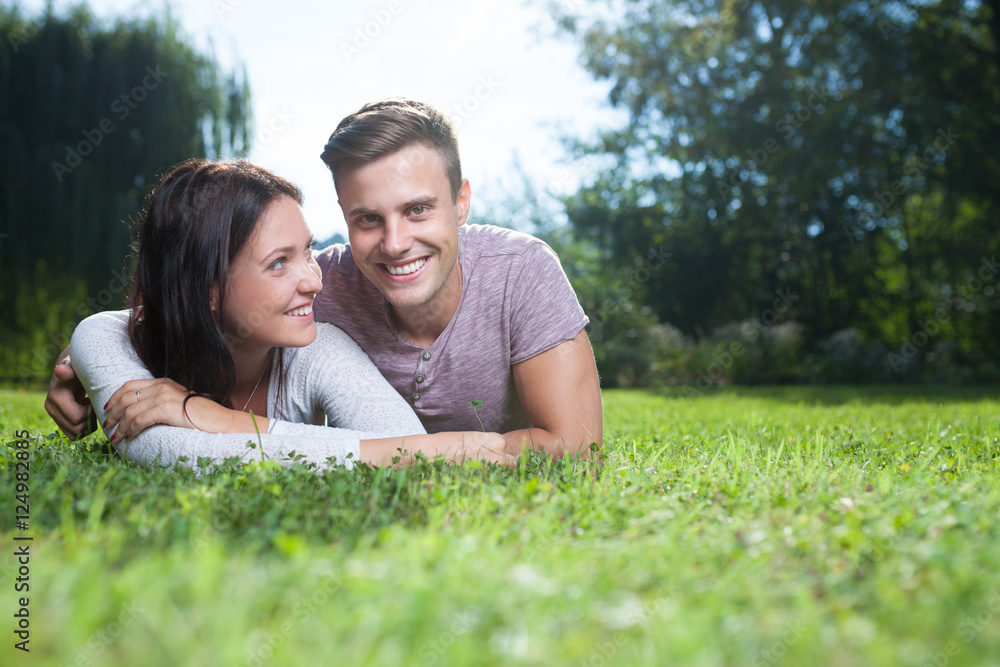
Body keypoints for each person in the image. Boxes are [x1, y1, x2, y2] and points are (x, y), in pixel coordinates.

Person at [47, 98, 602, 458]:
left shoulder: (522, 272)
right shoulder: (324, 286)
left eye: (418, 210)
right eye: (366, 219)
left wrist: (214, 420)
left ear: (461, 204)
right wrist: (88, 365)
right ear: (344, 217)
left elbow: (578, 451)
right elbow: (189, 297)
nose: (394, 243)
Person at [68, 158, 511, 472]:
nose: (314, 281)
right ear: (208, 288)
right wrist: (434, 451)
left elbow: (400, 440)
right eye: (279, 262)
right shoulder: (106, 338)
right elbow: (168, 452)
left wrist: (210, 416)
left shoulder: (317, 347)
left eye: (308, 251)